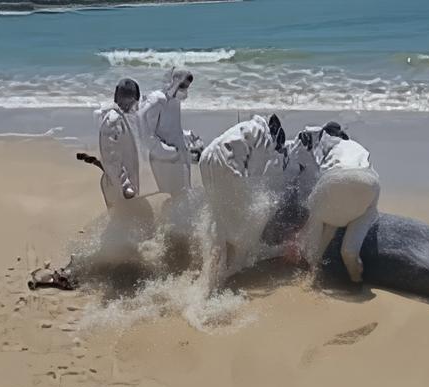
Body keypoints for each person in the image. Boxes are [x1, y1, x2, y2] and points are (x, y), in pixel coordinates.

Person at [198, 114, 286, 283]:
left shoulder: (247, 126)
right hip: (227, 165)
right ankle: (228, 269)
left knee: (218, 213)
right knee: (239, 218)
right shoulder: (266, 138)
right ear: (276, 137)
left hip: (206, 158)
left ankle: (212, 267)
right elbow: (254, 178)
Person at [296, 121, 379, 283]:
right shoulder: (355, 146)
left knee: (319, 212)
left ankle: (313, 264)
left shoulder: (326, 149)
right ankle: (351, 257)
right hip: (368, 182)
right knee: (367, 212)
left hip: (333, 182)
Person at [136, 68, 196, 198]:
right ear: (174, 82)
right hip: (163, 159)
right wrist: (163, 150)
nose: (185, 90)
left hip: (177, 154)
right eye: (183, 86)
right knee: (171, 195)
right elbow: (143, 126)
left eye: (187, 87)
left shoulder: (174, 100)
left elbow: (169, 126)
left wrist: (186, 136)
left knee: (183, 193)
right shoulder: (157, 100)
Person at [96, 78, 142, 208]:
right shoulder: (113, 121)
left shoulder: (125, 117)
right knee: (121, 219)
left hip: (126, 182)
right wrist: (125, 184)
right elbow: (110, 156)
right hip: (117, 184)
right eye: (127, 101)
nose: (130, 105)